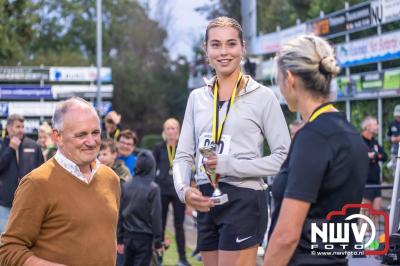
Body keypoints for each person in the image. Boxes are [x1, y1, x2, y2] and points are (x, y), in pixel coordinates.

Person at [173, 17, 290, 266]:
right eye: (216, 45)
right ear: (206, 50)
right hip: (206, 198)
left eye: (231, 44)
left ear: (242, 47)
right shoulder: (197, 98)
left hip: (244, 197)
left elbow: (284, 157)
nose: (224, 52)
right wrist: (184, 191)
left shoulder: (263, 96)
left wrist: (231, 165)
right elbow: (183, 155)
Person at [264, 35, 369, 266]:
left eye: (278, 78)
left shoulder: (312, 138)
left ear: (290, 78)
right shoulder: (351, 135)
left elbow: (286, 236)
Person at [0, 98, 120, 265]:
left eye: (95, 132)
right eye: (81, 134)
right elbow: (8, 250)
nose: (92, 142)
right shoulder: (36, 183)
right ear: (58, 137)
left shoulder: (111, 179)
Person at [153, 118, 190, 266]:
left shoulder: (183, 147)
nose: (171, 131)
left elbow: (189, 167)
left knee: (179, 225)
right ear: (164, 131)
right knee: (160, 226)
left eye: (173, 128)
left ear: (178, 130)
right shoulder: (158, 148)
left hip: (178, 190)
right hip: (161, 190)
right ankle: (159, 257)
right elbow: (152, 169)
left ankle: (182, 258)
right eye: (168, 128)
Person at [117, 150, 163, 266]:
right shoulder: (153, 188)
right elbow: (156, 217)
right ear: (152, 167)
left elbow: (120, 213)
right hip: (144, 237)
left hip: (127, 236)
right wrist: (158, 242)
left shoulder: (127, 185)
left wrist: (120, 238)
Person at [0, 114, 44, 233]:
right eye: (17, 127)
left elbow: (42, 172)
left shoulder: (33, 146)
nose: (21, 130)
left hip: (28, 203)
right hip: (5, 203)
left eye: (22, 127)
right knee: (4, 240)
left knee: (27, 237)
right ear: (8, 128)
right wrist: (10, 149)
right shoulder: (2, 145)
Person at [361, 116, 387, 212]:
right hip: (365, 184)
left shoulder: (374, 142)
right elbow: (355, 158)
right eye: (375, 124)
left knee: (376, 211)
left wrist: (376, 156)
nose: (377, 127)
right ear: (368, 127)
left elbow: (384, 156)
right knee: (365, 215)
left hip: (376, 183)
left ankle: (374, 228)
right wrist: (367, 156)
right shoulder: (360, 141)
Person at [387, 105, 400, 175]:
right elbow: (388, 137)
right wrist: (392, 139)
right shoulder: (392, 124)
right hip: (395, 152)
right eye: (397, 116)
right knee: (396, 173)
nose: (398, 117)